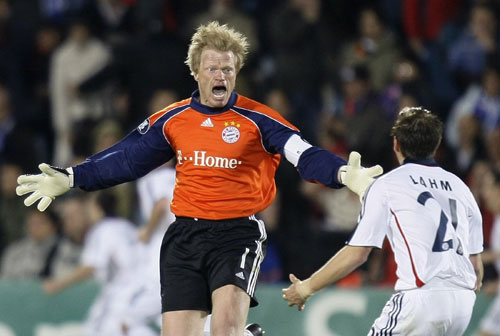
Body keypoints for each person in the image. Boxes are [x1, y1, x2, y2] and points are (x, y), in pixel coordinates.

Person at [16, 21, 382, 336]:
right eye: (212, 69)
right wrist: (71, 177)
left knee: (224, 328)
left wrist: (341, 172)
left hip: (236, 234)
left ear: (236, 72)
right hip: (184, 237)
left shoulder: (259, 119)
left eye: (228, 69)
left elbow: (302, 154)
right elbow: (128, 159)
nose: (220, 77)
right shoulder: (174, 120)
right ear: (196, 72)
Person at [283, 106, 484, 336]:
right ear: (437, 144)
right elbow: (475, 267)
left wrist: (307, 287)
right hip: (462, 303)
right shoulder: (461, 187)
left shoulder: (388, 184)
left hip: (421, 297)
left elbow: (357, 254)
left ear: (396, 144)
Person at [43, 190, 139, 336]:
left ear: (98, 208)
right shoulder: (127, 227)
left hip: (120, 294)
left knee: (94, 330)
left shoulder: (102, 229)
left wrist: (59, 283)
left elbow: (91, 267)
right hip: (139, 291)